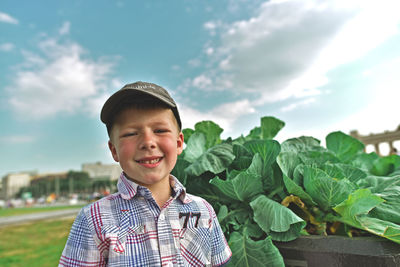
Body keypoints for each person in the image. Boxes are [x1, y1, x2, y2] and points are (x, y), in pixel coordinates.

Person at [59, 81, 232, 267]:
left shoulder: (203, 210)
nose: (148, 142)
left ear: (179, 142)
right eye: (131, 133)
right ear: (114, 150)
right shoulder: (93, 219)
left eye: (160, 130)